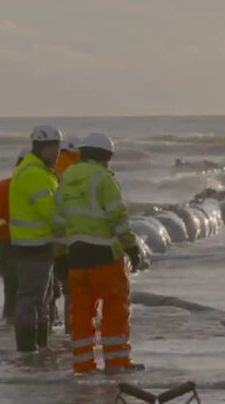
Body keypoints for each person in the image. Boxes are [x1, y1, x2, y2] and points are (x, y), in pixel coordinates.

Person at [53, 132, 145, 374]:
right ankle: (117, 364)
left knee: (81, 314)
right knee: (115, 309)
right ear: (106, 156)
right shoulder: (104, 180)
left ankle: (83, 366)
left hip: (75, 258)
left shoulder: (65, 181)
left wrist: (60, 256)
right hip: (105, 255)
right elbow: (118, 218)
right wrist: (132, 248)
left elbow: (58, 224)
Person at [9, 124, 62, 352]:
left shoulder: (41, 171)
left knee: (43, 299)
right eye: (53, 148)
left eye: (58, 148)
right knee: (31, 300)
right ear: (40, 147)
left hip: (40, 244)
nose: (57, 153)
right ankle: (28, 349)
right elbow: (50, 211)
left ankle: (40, 345)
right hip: (34, 246)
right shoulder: (33, 173)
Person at [0, 147, 29, 323]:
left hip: (17, 242)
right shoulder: (3, 187)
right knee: (13, 285)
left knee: (17, 287)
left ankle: (14, 319)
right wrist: (11, 237)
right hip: (7, 244)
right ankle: (12, 320)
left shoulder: (2, 186)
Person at [50, 136, 80, 335]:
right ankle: (72, 331)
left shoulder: (52, 170)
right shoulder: (73, 173)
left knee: (52, 290)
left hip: (50, 242)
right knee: (73, 292)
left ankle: (52, 324)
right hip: (71, 243)